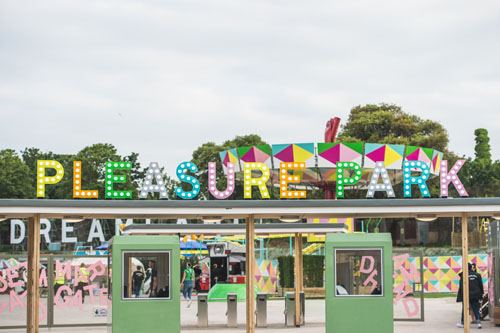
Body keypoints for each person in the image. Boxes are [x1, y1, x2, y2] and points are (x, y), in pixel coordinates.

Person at [457, 262, 484, 329]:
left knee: (465, 309)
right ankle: (478, 323)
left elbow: (461, 287)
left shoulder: (464, 275)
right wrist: (481, 295)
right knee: (476, 308)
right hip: (475, 294)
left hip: (467, 294)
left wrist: (461, 296)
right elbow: (480, 285)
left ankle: (463, 323)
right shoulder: (477, 275)